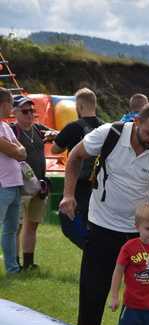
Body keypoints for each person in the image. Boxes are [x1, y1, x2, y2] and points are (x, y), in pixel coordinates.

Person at [59, 102, 149, 325]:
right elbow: (75, 156)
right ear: (136, 123)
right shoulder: (109, 134)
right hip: (101, 227)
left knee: (142, 298)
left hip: (139, 235)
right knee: (92, 295)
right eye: (148, 133)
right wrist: (68, 195)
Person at [51, 88, 104, 249]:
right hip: (100, 184)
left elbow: (55, 150)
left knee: (68, 218)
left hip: (77, 183)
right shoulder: (105, 127)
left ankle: (91, 249)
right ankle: (93, 248)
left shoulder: (73, 127)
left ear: (79, 107)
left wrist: (59, 137)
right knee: (94, 222)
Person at [10, 95, 57, 270]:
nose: (30, 114)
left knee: (33, 225)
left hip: (39, 187)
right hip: (18, 187)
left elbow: (59, 135)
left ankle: (28, 263)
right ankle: (14, 264)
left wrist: (54, 135)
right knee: (16, 227)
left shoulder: (38, 129)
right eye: (25, 111)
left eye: (32, 110)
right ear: (14, 112)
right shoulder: (11, 131)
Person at [0, 87, 26, 274]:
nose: (12, 107)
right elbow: (15, 152)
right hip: (3, 186)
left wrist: (17, 150)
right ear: (4, 104)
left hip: (14, 185)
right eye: (11, 103)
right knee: (8, 230)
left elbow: (20, 150)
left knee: (11, 230)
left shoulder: (6, 127)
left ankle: (12, 269)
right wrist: (17, 150)